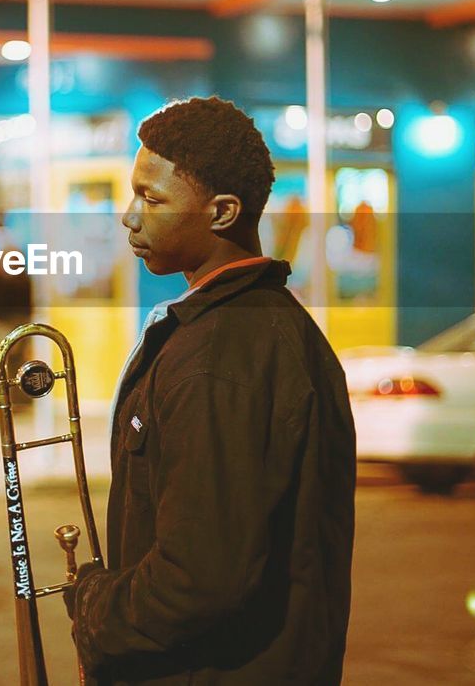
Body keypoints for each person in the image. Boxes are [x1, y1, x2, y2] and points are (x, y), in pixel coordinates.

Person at [65, 96, 357, 684]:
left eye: (153, 198)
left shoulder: (219, 354)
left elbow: (198, 577)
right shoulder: (260, 323)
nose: (130, 215)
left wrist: (96, 608)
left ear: (221, 212)